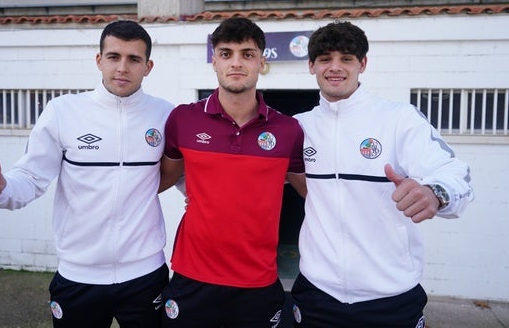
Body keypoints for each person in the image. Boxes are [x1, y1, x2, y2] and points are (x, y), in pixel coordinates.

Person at [0, 20, 174, 328]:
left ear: (148, 66)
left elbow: (189, 179)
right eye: (114, 56)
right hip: (78, 276)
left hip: (145, 275)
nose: (122, 67)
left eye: (134, 59)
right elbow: (31, 177)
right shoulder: (63, 111)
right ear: (99, 60)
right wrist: (2, 190)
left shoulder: (166, 115)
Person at [291, 21, 474, 328]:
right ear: (312, 66)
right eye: (325, 59)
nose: (335, 67)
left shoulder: (399, 119)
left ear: (362, 64)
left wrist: (435, 193)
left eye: (346, 58)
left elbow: (455, 175)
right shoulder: (299, 126)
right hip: (317, 292)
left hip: (391, 296)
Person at [158, 17, 306, 328]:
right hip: (192, 276)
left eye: (247, 54)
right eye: (226, 53)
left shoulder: (288, 129)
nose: (236, 63)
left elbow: (315, 193)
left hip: (258, 281)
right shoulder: (183, 120)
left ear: (262, 62)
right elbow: (160, 180)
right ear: (214, 60)